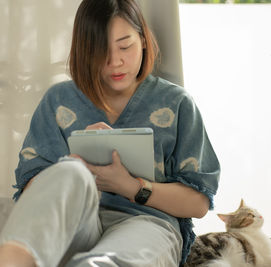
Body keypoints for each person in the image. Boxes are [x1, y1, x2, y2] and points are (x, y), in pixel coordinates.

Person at [0, 0, 220, 266]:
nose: (115, 61)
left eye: (125, 46)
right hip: (71, 223)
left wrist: (131, 186)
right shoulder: (58, 100)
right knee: (71, 171)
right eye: (100, 49)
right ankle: (17, 257)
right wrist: (75, 161)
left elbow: (198, 203)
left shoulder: (177, 103)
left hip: (145, 222)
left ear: (143, 40)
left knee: (110, 261)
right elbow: (31, 194)